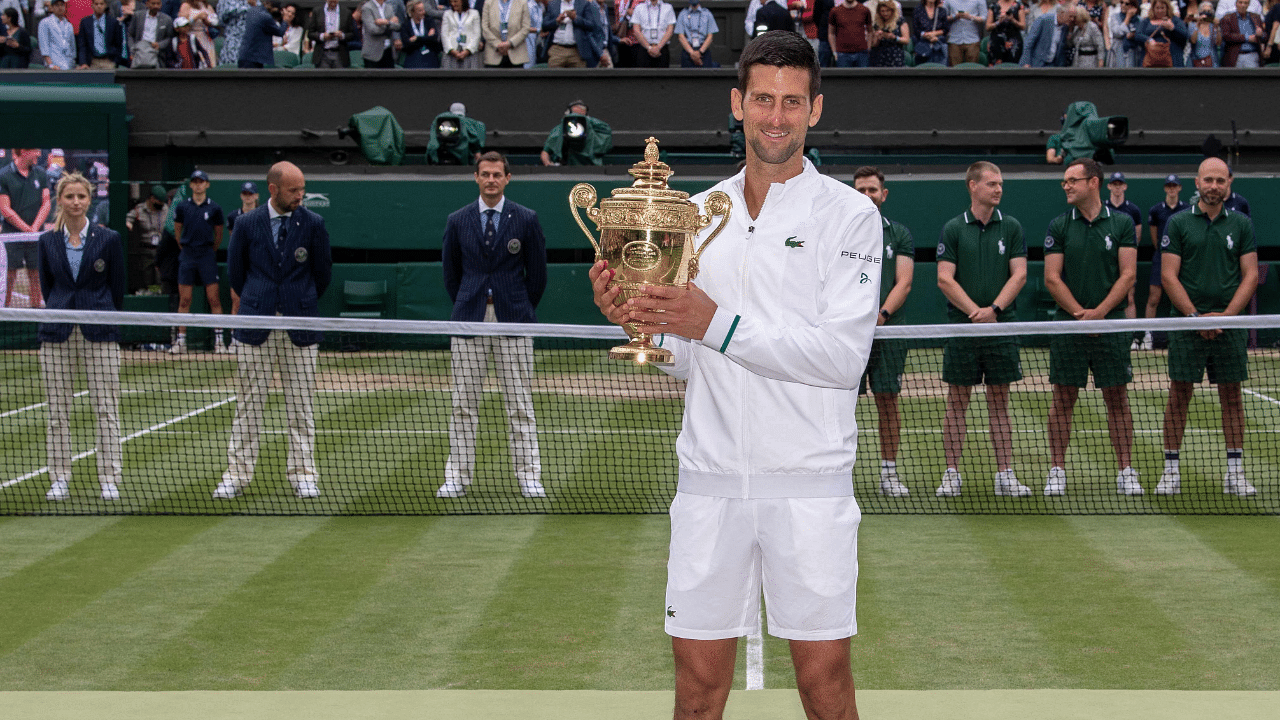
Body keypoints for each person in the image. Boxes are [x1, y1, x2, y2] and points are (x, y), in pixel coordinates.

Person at [590, 31, 878, 720]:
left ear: (813, 109)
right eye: (761, 100)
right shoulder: (694, 217)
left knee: (825, 689)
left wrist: (712, 321)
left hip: (809, 487)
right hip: (710, 485)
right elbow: (690, 361)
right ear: (737, 104)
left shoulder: (851, 216)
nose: (774, 117)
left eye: (790, 102)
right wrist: (643, 323)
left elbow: (842, 360)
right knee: (695, 696)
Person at [214, 162, 331, 500]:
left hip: (300, 324)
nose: (300, 195)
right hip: (256, 323)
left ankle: (304, 474)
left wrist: (298, 303)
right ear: (273, 189)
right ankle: (237, 474)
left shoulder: (313, 223)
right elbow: (237, 273)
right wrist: (261, 302)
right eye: (294, 190)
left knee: (301, 405)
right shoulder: (247, 224)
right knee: (249, 404)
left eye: (302, 189)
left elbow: (322, 274)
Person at [437, 151, 547, 500]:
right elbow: (451, 274)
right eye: (485, 174)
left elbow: (538, 276)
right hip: (469, 318)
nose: (491, 180)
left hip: (513, 318)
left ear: (507, 178)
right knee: (463, 404)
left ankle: (529, 477)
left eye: (497, 174)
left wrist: (516, 305)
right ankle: (456, 477)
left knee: (519, 404)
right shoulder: (458, 220)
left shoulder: (526, 219)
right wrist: (471, 301)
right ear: (476, 177)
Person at [1157, 157, 1259, 498]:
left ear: (1228, 183)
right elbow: (1168, 275)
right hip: (1187, 327)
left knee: (1232, 397)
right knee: (1179, 395)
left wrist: (1224, 318)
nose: (1214, 186)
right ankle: (1170, 470)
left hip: (1229, 327)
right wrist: (1194, 316)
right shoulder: (1178, 222)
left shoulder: (1242, 223)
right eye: (1208, 180)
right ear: (1196, 183)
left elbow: (1251, 275)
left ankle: (1235, 472)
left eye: (1220, 180)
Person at [1042, 159, 1141, 497]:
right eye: (1064, 181)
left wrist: (1100, 313)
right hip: (1070, 328)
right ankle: (1057, 469)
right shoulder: (1058, 225)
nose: (1066, 186)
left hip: (1110, 327)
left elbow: (1128, 274)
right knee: (1063, 398)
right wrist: (1080, 315)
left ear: (1094, 182)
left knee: (1118, 398)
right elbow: (1052, 278)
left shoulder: (1123, 223)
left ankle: (1126, 469)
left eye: (1073, 180)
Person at [935, 161, 1031, 498]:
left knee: (1000, 402)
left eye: (1001, 183)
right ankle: (951, 473)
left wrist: (995, 310)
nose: (999, 189)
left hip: (1000, 328)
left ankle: (1005, 474)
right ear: (973, 186)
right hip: (964, 328)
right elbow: (944, 278)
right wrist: (975, 312)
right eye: (992, 183)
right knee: (957, 401)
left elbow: (1019, 274)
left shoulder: (1013, 227)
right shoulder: (953, 229)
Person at [37, 172, 126, 502]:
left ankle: (109, 477)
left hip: (99, 331)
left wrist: (99, 314)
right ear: (59, 200)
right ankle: (59, 478)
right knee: (58, 412)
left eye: (82, 197)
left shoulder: (109, 239)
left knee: (106, 409)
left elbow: (117, 288)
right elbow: (50, 287)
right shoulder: (47, 241)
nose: (76, 202)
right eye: (69, 197)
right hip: (56, 332)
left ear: (90, 200)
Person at [852, 166, 914, 497]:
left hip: (888, 332)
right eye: (860, 190)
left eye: (872, 190)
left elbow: (904, 280)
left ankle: (888, 474)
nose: (866, 195)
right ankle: (838, 473)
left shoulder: (899, 234)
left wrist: (882, 315)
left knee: (888, 401)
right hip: (848, 334)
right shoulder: (840, 233)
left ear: (883, 194)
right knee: (841, 404)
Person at [170, 169, 227, 354]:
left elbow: (218, 234)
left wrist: (210, 250)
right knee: (185, 299)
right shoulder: (182, 207)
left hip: (206, 255)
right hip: (187, 254)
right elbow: (177, 231)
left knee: (214, 298)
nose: (198, 184)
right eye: (195, 181)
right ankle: (181, 342)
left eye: (201, 181)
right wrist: (185, 247)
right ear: (191, 185)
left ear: (207, 184)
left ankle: (219, 341)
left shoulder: (215, 208)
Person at [1138, 174, 1190, 351]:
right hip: (1161, 257)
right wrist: (1163, 252)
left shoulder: (1187, 209)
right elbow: (1154, 237)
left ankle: (1184, 335)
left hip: (1183, 258)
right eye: (1169, 186)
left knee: (1182, 297)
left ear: (1180, 188)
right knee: (1154, 297)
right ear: (1165, 188)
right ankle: (1148, 335)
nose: (1172, 189)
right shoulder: (1156, 210)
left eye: (1175, 186)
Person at [2, 148, 50, 309]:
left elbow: (46, 202)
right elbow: (5, 209)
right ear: (23, 151)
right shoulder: (4, 175)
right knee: (9, 276)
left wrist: (34, 229)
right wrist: (27, 230)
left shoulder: (41, 173)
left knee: (36, 276)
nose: (39, 154)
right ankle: (5, 314)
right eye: (35, 150)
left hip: (36, 236)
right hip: (11, 236)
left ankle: (36, 314)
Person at [1103, 171, 1143, 328]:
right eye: (1114, 184)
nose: (1117, 188)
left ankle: (1131, 335)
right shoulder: (1103, 207)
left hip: (1126, 260)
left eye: (1120, 184)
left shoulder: (1133, 210)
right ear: (1109, 186)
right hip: (1107, 260)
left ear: (1125, 187)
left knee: (1129, 297)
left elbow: (1137, 237)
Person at [125, 184, 168, 292]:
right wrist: (129, 224)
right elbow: (128, 218)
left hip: (161, 249)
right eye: (159, 201)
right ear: (152, 199)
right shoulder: (140, 210)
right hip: (146, 249)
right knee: (147, 276)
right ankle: (150, 293)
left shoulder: (165, 209)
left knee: (160, 277)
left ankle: (157, 294)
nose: (161, 204)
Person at [542, 0, 601, 66]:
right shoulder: (553, 4)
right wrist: (556, 21)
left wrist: (575, 18)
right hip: (557, 50)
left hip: (577, 51)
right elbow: (544, 25)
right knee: (554, 74)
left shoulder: (584, 3)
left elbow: (591, 25)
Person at [1021, 0, 1075, 66]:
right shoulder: (1043, 20)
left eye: (1073, 17)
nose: (1072, 19)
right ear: (1062, 13)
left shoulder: (1065, 27)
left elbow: (1061, 50)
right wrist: (1026, 62)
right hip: (1036, 64)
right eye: (1070, 16)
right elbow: (1029, 42)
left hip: (1053, 66)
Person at [481, 0, 532, 67]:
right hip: (493, 54)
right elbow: (484, 28)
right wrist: (498, 44)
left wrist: (510, 43)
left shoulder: (522, 2)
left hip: (516, 54)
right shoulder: (488, 2)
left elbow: (526, 28)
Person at [1136, 0, 1187, 66]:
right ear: (1153, 9)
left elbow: (1185, 35)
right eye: (1157, 8)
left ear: (1167, 8)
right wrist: (1149, 40)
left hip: (1173, 60)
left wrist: (1172, 28)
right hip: (1150, 61)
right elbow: (1138, 35)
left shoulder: (1175, 20)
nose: (1160, 11)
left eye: (1162, 8)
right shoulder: (1146, 21)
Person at [76, 0, 125, 69]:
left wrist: (115, 61)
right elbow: (82, 45)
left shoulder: (113, 22)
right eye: (96, 4)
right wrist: (83, 63)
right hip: (92, 61)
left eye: (101, 4)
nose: (99, 6)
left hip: (109, 61)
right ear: (92, 5)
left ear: (105, 5)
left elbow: (119, 44)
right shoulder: (85, 22)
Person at [308, 0, 356, 67]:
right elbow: (310, 34)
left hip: (340, 55)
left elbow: (352, 34)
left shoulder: (346, 12)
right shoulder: (317, 11)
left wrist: (342, 35)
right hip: (322, 54)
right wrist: (322, 36)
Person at [237, 0, 285, 67]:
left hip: (244, 55)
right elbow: (280, 32)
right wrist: (285, 20)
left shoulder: (251, 11)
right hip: (256, 59)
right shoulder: (266, 17)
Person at [128, 0, 175, 68]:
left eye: (158, 4)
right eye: (153, 3)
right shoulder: (138, 16)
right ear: (147, 4)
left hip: (157, 54)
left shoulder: (167, 19)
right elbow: (130, 34)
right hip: (139, 52)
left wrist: (159, 45)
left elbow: (169, 37)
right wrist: (132, 49)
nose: (156, 6)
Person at [630, 0, 674, 66]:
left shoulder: (668, 8)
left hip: (662, 49)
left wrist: (658, 48)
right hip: (644, 49)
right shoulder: (639, 7)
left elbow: (670, 30)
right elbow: (636, 30)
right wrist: (649, 48)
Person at [675, 0, 718, 66]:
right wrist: (692, 53)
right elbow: (681, 36)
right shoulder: (682, 14)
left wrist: (700, 52)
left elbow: (710, 36)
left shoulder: (707, 14)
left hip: (703, 50)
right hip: (688, 50)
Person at [1221, 0, 1265, 64]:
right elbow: (1226, 36)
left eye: (1245, 3)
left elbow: (1265, 37)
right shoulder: (1228, 18)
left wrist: (1261, 34)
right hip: (1235, 56)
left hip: (1252, 54)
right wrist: (1247, 38)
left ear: (1248, 5)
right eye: (1240, 2)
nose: (1243, 5)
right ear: (1236, 4)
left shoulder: (1256, 17)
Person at [828, 0, 871, 66]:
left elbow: (870, 31)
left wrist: (868, 48)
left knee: (863, 76)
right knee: (843, 76)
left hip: (862, 53)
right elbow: (831, 33)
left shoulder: (864, 10)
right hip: (842, 54)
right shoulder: (835, 11)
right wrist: (834, 52)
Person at [441, 0, 481, 68]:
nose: (453, 4)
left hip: (469, 52)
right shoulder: (447, 14)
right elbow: (444, 34)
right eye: (451, 2)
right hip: (452, 53)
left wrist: (468, 51)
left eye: (455, 1)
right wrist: (452, 50)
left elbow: (477, 34)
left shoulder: (474, 13)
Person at [401, 0, 442, 67]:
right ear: (412, 12)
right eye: (420, 11)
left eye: (423, 10)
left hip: (430, 61)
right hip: (413, 62)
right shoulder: (406, 25)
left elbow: (434, 39)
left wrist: (417, 39)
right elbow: (407, 45)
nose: (423, 12)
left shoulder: (429, 21)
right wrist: (426, 38)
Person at [361, 0, 401, 66]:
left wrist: (386, 22)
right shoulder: (367, 8)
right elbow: (373, 30)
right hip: (373, 54)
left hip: (388, 51)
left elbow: (397, 27)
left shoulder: (389, 7)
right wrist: (389, 24)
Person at [868, 0, 909, 65]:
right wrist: (877, 37)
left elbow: (906, 40)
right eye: (883, 11)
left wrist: (894, 37)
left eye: (887, 11)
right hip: (879, 57)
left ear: (892, 11)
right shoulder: (877, 24)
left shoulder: (900, 21)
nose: (885, 13)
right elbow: (874, 44)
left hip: (895, 57)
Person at [38, 0, 75, 69]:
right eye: (57, 5)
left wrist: (73, 63)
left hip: (69, 65)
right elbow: (44, 46)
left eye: (62, 5)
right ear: (51, 7)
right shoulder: (45, 22)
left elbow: (72, 47)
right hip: (54, 66)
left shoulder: (69, 25)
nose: (60, 7)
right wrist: (51, 65)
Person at [1189, 1, 1221, 65]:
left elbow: (1218, 43)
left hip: (1212, 61)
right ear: (1200, 12)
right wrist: (1198, 25)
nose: (1206, 14)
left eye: (1209, 12)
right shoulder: (1193, 25)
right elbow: (1193, 41)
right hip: (1196, 61)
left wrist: (1217, 27)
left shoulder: (1213, 26)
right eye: (1204, 11)